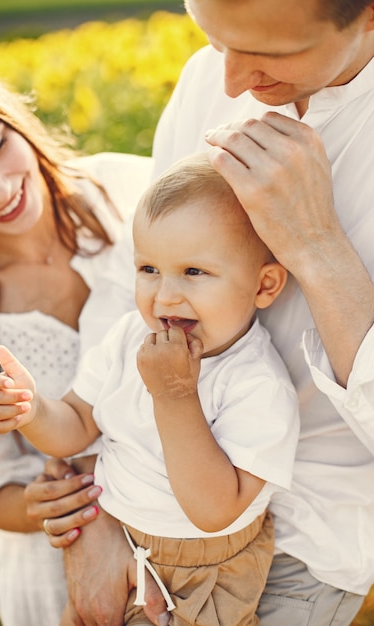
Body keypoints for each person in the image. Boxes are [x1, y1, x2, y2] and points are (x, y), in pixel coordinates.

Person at [27, 1, 374, 625]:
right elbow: (137, 291)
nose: (233, 84)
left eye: (272, 54)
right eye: (214, 41)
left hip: (311, 534)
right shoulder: (203, 81)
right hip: (135, 508)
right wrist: (98, 515)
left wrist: (318, 247)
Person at [0, 153, 300, 626]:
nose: (165, 295)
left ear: (264, 285)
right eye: (148, 269)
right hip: (116, 535)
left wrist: (174, 395)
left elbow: (214, 510)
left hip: (201, 569)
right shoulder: (128, 337)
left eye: (194, 272)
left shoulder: (256, 385)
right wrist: (32, 410)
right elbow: (75, 427)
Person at [0, 51, 154, 626]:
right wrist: (36, 504)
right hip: (62, 569)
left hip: (195, 535)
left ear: (16, 116)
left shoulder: (127, 189)